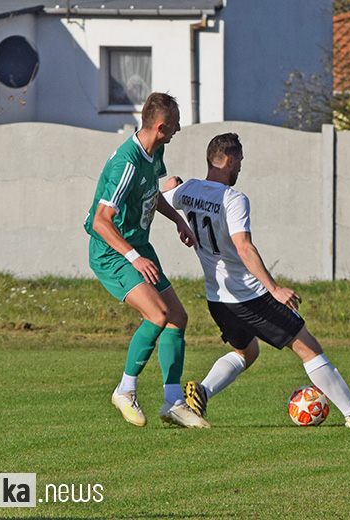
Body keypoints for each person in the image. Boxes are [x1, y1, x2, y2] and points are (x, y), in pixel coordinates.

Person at [163, 133, 350, 428]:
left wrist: (173, 187)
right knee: (308, 347)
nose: (240, 169)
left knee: (247, 352)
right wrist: (275, 289)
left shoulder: (190, 190)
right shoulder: (233, 199)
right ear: (230, 160)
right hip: (250, 296)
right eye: (240, 162)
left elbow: (167, 194)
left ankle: (203, 393)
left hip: (217, 299)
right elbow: (244, 247)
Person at [84, 92, 209, 429]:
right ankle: (125, 390)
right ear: (160, 126)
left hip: (137, 246)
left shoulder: (155, 152)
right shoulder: (127, 162)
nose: (180, 128)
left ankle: (172, 402)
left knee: (177, 317)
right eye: (177, 123)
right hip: (112, 252)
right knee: (157, 314)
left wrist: (178, 220)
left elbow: (150, 195)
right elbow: (100, 221)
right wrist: (134, 257)